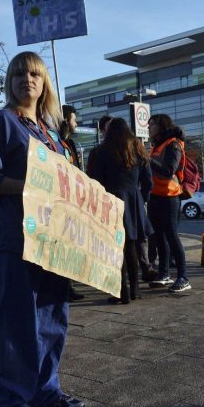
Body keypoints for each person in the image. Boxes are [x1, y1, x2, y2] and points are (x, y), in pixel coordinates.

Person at [0, 51, 85, 407]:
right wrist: (31, 187)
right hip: (18, 238)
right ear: (10, 81)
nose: (27, 79)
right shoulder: (1, 124)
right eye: (19, 73)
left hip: (54, 241)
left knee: (53, 316)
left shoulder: (49, 132)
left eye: (35, 73)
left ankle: (43, 390)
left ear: (44, 84)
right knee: (19, 322)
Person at [87, 117, 152, 304]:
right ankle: (135, 290)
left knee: (115, 250)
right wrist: (142, 199)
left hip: (110, 201)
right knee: (131, 246)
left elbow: (95, 180)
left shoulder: (100, 151)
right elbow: (148, 181)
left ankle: (121, 292)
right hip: (133, 202)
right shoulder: (138, 148)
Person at [147, 114, 191, 292]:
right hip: (155, 196)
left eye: (152, 125)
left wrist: (147, 160)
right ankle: (164, 274)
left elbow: (168, 171)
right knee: (159, 237)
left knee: (172, 237)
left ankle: (183, 277)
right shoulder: (157, 145)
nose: (149, 128)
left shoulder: (173, 144)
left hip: (170, 196)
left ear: (161, 126)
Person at [60, 105, 85, 302]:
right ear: (65, 120)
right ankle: (63, 286)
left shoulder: (70, 144)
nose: (76, 123)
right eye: (74, 119)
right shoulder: (54, 142)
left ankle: (68, 285)